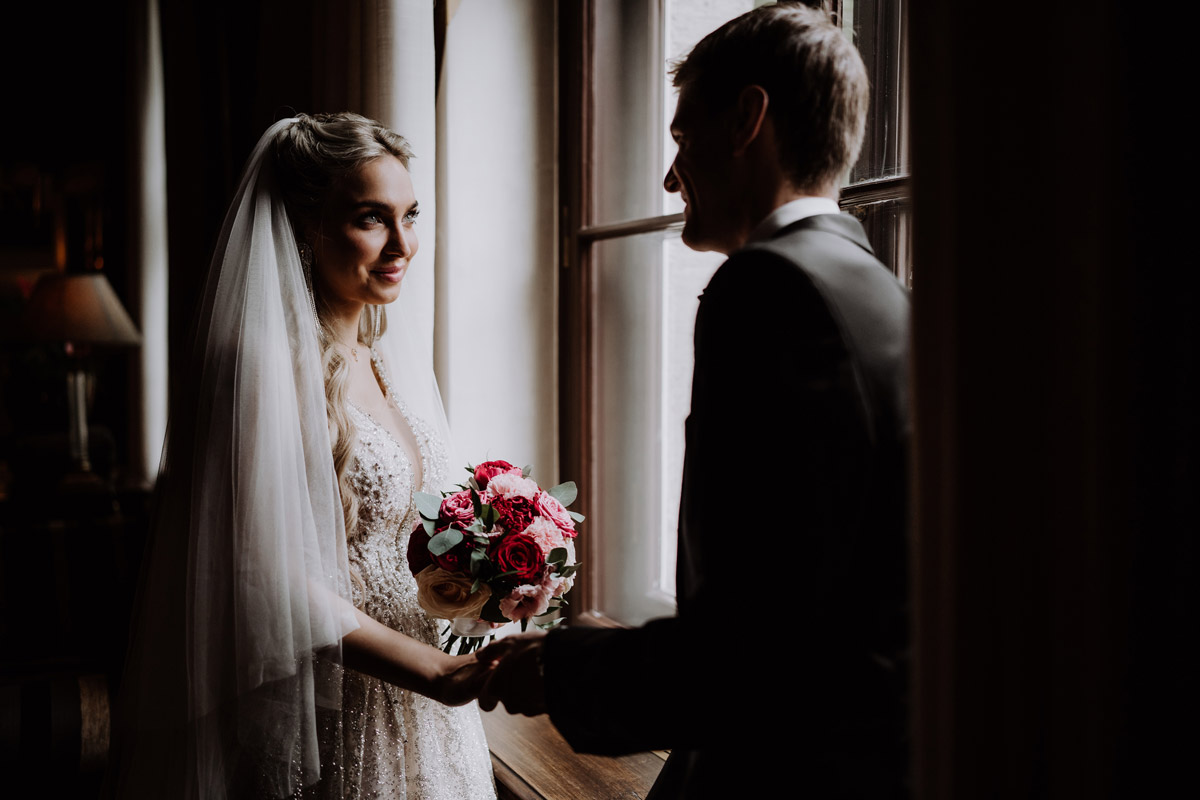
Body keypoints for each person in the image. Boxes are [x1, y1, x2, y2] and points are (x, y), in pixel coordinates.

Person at [479, 5, 911, 798]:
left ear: (748, 119)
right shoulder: (879, 289)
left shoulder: (770, 288)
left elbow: (757, 634)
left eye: (682, 138)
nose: (671, 178)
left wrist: (562, 669)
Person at [107, 113, 498, 799]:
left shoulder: (385, 363)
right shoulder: (255, 367)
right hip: (336, 707)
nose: (402, 243)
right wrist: (435, 672)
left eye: (410, 215)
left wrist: (492, 583)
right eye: (371, 218)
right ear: (305, 227)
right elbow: (264, 579)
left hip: (431, 708)